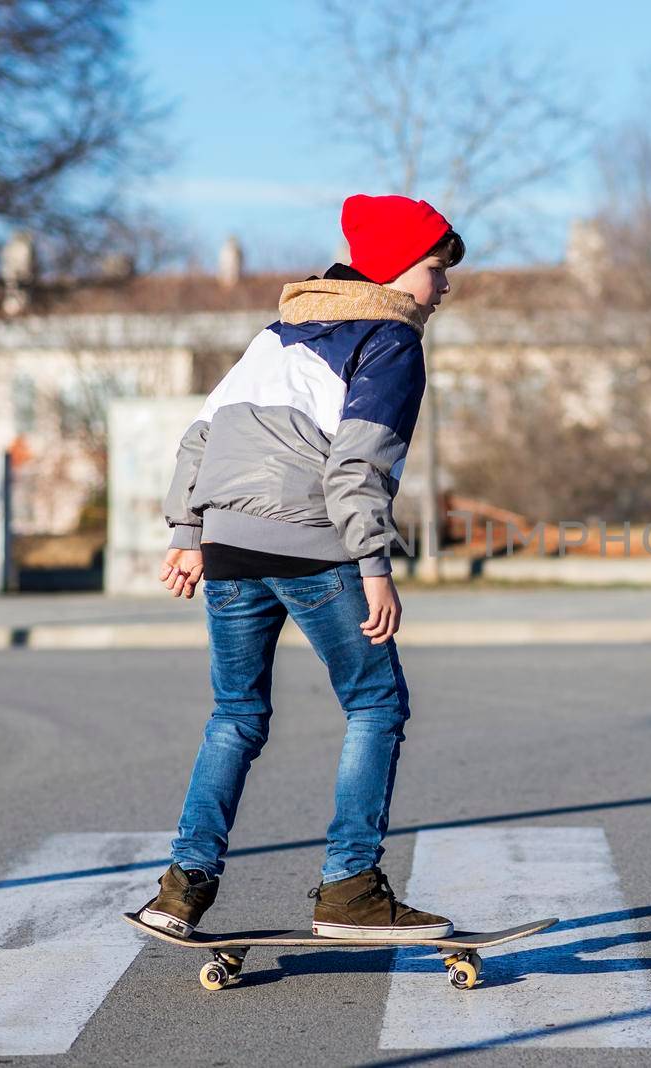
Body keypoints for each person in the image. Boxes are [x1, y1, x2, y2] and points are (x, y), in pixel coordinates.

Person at [136, 194, 463, 940]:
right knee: (376, 704)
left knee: (236, 714)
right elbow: (355, 467)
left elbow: (200, 436)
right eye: (436, 270)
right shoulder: (388, 340)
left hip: (227, 545)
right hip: (314, 541)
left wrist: (188, 532)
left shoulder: (276, 334)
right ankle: (350, 889)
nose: (443, 288)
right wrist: (375, 563)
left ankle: (181, 891)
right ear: (393, 270)